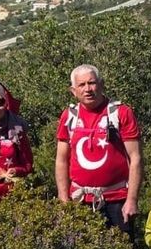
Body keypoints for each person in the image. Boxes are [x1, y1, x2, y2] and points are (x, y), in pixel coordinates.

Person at [55, 64, 144, 232]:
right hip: (80, 200)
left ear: (101, 84)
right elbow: (61, 160)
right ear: (73, 91)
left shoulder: (121, 113)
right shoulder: (69, 116)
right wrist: (63, 198)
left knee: (122, 247)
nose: (87, 89)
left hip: (117, 200)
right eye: (81, 85)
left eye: (92, 83)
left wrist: (132, 200)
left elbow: (136, 158)